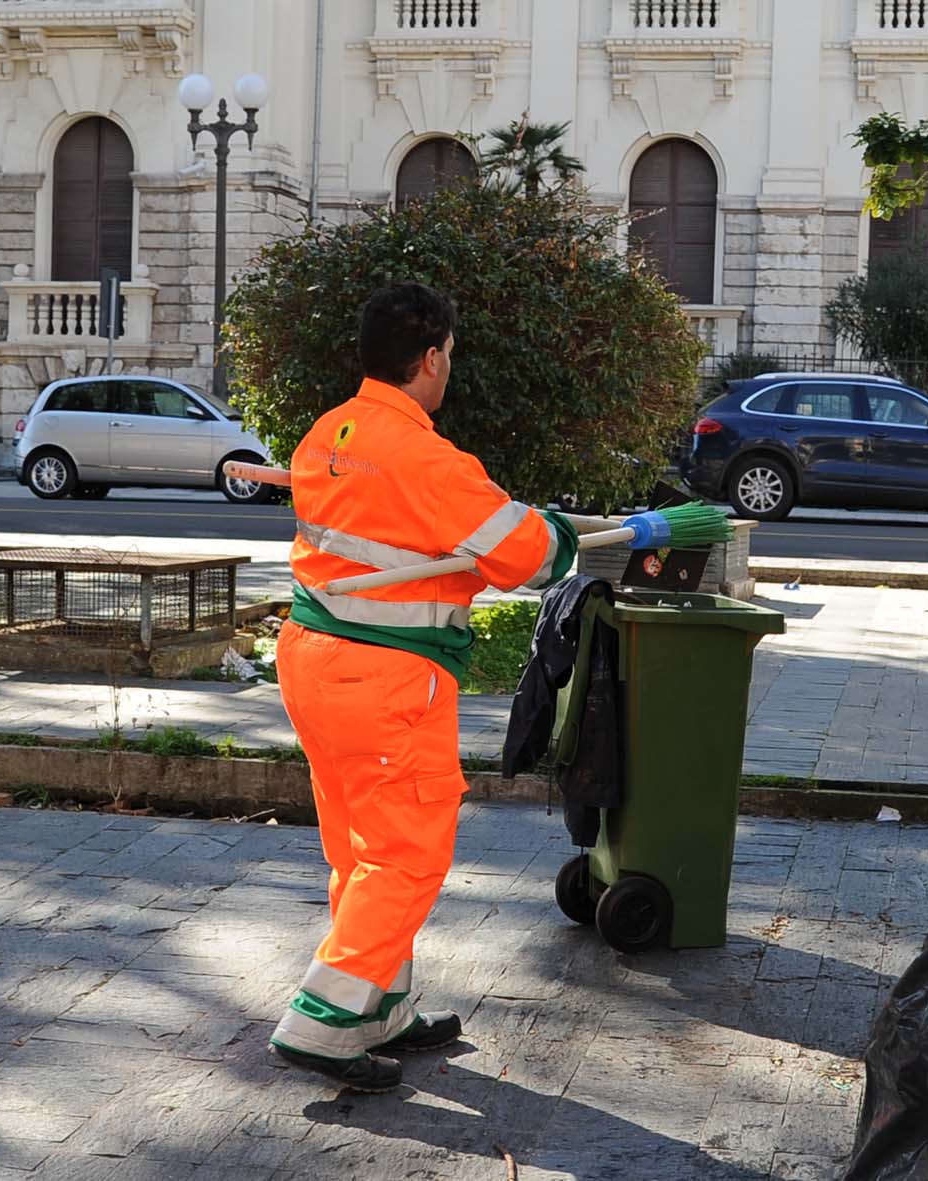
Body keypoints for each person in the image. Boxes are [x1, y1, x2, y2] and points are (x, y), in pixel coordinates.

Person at [269, 282, 579, 1091]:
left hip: (312, 659)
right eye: (451, 355)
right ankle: (324, 1017)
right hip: (386, 676)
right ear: (433, 356)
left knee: (359, 846)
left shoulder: (328, 434)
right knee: (406, 852)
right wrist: (559, 531)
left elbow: (390, 540)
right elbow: (532, 558)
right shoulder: (427, 458)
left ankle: (381, 1005)